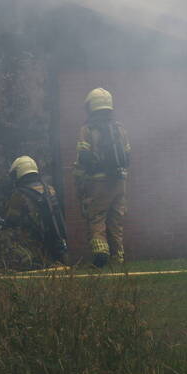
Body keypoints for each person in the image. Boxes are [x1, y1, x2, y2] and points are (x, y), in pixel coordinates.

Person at [73, 87, 130, 267]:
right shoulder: (119, 128)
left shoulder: (87, 129)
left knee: (97, 218)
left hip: (98, 183)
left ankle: (101, 254)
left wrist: (81, 177)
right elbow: (127, 157)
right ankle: (118, 258)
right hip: (119, 182)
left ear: (91, 106)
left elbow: (84, 156)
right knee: (116, 220)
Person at [0, 156, 68, 270]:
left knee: (4, 234)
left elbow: (11, 221)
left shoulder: (18, 194)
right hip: (55, 240)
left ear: (19, 173)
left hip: (32, 242)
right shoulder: (49, 189)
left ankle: (18, 265)